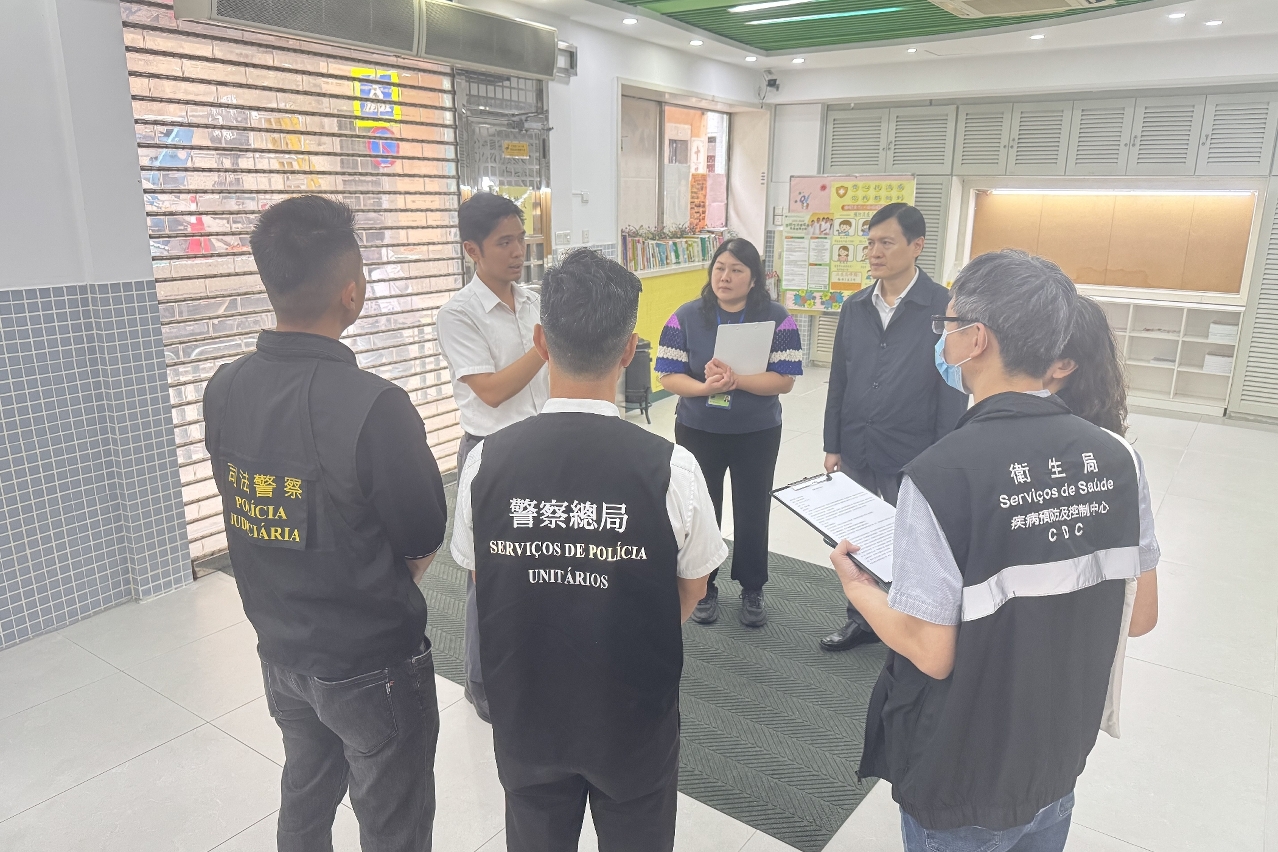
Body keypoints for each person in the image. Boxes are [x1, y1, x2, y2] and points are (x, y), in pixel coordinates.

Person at [832, 251, 1160, 852]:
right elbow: (1139, 616)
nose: (943, 339)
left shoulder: (940, 474)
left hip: (965, 769)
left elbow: (931, 652)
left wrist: (859, 589)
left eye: (948, 324)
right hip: (1056, 756)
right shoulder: (1119, 457)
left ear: (976, 339)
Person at [450, 249, 727, 852]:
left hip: (527, 713)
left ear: (541, 341)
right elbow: (693, 587)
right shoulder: (672, 468)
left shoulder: (485, 462)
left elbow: (481, 580)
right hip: (633, 716)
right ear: (629, 350)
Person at [203, 195, 448, 852]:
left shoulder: (224, 388)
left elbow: (239, 504)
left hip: (280, 649)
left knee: (305, 798)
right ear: (352, 292)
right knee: (393, 821)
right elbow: (422, 537)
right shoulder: (376, 407)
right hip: (371, 664)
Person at [819, 203, 967, 653]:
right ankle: (862, 618)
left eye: (886, 242)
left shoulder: (944, 307)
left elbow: (953, 385)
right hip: (858, 442)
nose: (875, 252)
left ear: (917, 245)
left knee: (916, 541)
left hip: (914, 448)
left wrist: (944, 456)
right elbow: (840, 378)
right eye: (870, 243)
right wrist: (832, 443)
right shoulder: (856, 306)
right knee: (856, 537)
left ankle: (913, 624)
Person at [437, 191, 550, 722]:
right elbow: (492, 391)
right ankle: (481, 681)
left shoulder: (534, 301)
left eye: (521, 239)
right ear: (472, 250)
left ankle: (531, 662)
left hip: (543, 447)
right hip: (491, 455)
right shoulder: (458, 314)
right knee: (487, 572)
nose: (518, 251)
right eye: (504, 242)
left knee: (541, 563)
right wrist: (544, 349)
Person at [654, 238, 804, 627]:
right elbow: (668, 374)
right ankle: (704, 587)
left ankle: (753, 588)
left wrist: (737, 381)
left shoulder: (777, 318)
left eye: (737, 270)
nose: (725, 276)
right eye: (720, 268)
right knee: (702, 510)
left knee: (754, 509)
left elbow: (785, 378)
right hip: (698, 429)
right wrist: (706, 388)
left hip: (757, 431)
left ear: (754, 278)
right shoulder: (686, 316)